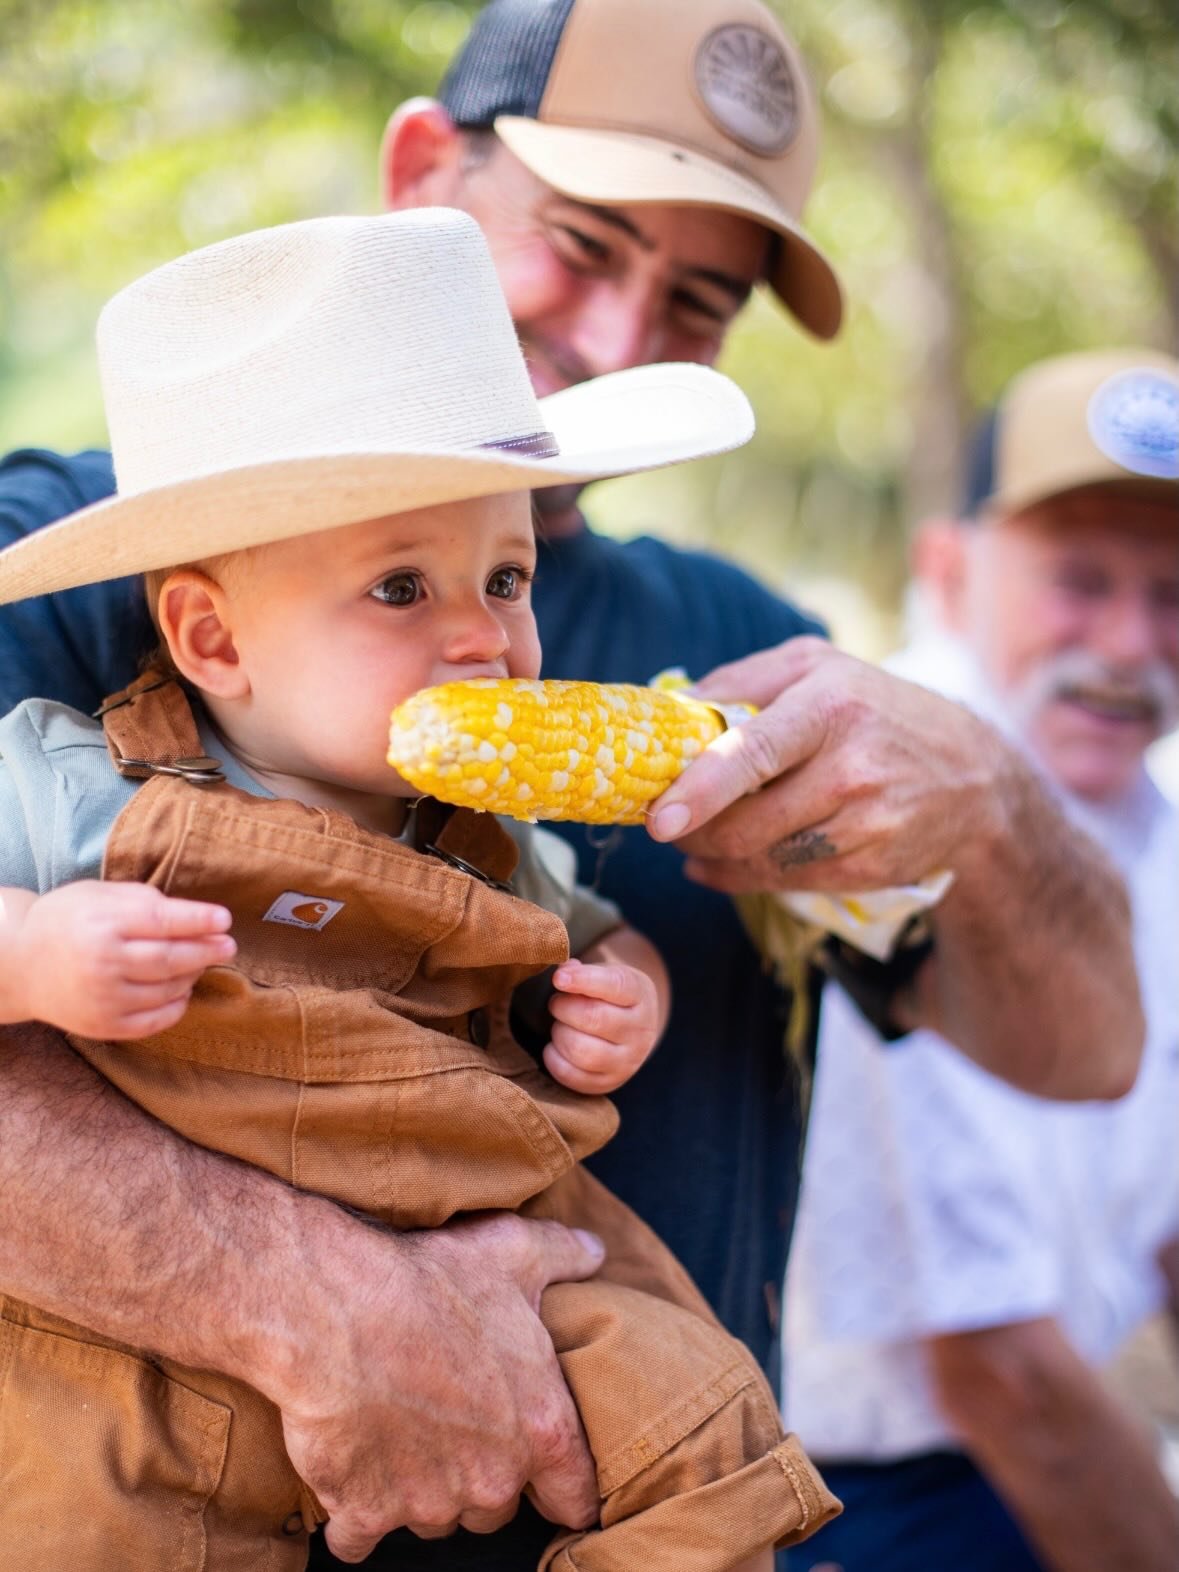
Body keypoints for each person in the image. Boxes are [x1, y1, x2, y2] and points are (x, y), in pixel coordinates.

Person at [0, 1, 1143, 1562]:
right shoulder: (69, 574)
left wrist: (999, 810)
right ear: (422, 168)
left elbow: (1079, 1053)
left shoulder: (742, 646)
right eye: (583, 244)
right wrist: (306, 1304)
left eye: (694, 300)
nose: (614, 339)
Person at [0, 208, 844, 1570]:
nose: (484, 637)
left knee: (702, 1424)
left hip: (500, 1240)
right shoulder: (69, 779)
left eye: (505, 577)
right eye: (401, 586)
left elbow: (594, 928)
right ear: (212, 636)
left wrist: (624, 989)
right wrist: (34, 948)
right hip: (164, 1333)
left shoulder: (490, 821)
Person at [783, 348, 1179, 1572]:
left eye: (1173, 594)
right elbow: (998, 1373)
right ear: (947, 575)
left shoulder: (1146, 825)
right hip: (883, 1509)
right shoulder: (878, 836)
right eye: (1080, 580)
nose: (1128, 643)